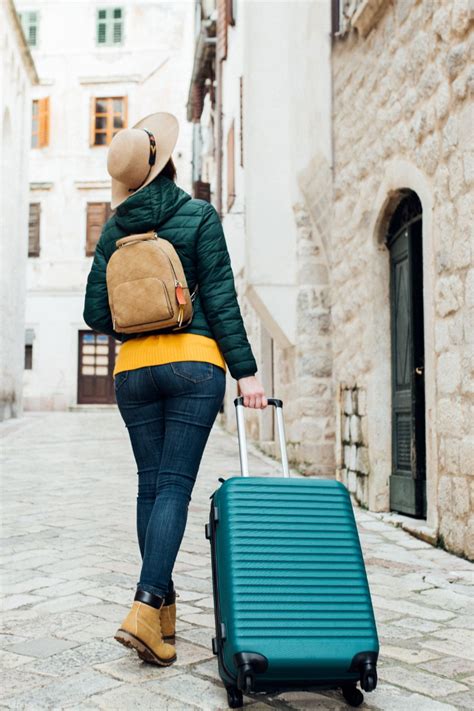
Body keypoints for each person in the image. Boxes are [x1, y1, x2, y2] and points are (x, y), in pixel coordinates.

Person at [83, 111, 267, 666]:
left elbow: (95, 313)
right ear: (166, 165)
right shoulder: (199, 216)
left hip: (133, 372)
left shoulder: (114, 232)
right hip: (193, 365)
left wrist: (139, 319)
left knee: (150, 486)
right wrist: (247, 372)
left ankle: (160, 617)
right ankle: (146, 603)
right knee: (173, 489)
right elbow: (221, 300)